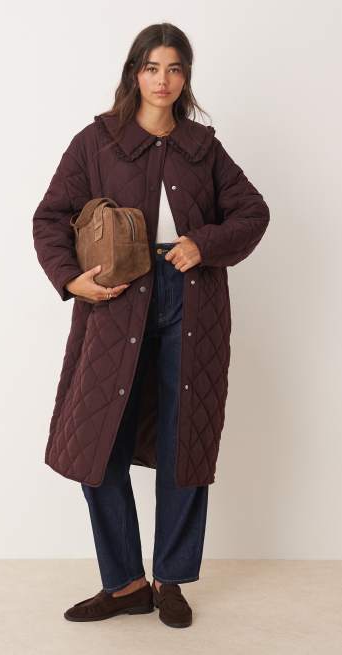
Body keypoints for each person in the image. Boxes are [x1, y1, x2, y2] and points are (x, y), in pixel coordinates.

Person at [32, 22, 270, 629]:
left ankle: (171, 580)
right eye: (151, 67)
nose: (162, 80)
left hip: (191, 302)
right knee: (97, 442)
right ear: (134, 73)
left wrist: (203, 243)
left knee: (183, 440)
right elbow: (51, 217)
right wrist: (70, 279)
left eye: (175, 69)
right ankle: (125, 583)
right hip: (115, 302)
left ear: (186, 78)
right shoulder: (97, 141)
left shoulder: (202, 147)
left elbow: (252, 211)